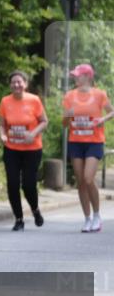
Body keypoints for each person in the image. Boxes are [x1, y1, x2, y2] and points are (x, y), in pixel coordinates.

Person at [62, 63, 113, 233]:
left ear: (88, 76)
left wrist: (101, 120)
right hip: (76, 141)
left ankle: (97, 216)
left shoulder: (99, 94)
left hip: (94, 141)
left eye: (78, 75)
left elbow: (112, 112)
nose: (75, 77)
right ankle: (87, 218)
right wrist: (67, 117)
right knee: (81, 182)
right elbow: (64, 124)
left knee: (88, 178)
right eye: (75, 75)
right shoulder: (69, 96)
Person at [0, 71, 48, 230]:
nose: (16, 85)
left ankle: (35, 210)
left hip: (32, 149)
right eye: (13, 82)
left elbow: (44, 121)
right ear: (10, 85)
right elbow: (1, 124)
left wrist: (32, 134)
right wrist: (2, 135)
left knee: (28, 184)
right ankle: (19, 219)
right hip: (12, 149)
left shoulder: (34, 100)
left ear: (25, 84)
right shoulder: (5, 101)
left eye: (19, 82)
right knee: (12, 184)